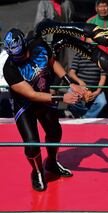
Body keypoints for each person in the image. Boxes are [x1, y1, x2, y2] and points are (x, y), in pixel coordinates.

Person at [2, 28, 85, 192]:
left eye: (23, 54)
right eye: (17, 57)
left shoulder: (39, 45)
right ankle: (37, 171)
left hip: (45, 99)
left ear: (26, 45)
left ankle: (52, 163)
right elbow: (32, 95)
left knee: (55, 132)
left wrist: (70, 82)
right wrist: (62, 98)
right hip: (25, 105)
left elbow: (52, 62)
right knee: (32, 144)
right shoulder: (10, 68)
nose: (21, 59)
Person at [34, 0, 74, 70]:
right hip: (49, 40)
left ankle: (63, 79)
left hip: (64, 39)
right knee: (50, 63)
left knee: (64, 63)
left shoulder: (66, 3)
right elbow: (39, 24)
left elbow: (70, 19)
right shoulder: (44, 3)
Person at [67, 53, 107, 118]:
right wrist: (80, 81)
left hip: (95, 89)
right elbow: (71, 73)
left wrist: (98, 91)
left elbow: (103, 76)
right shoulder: (79, 54)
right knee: (70, 94)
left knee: (102, 102)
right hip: (79, 87)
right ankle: (86, 112)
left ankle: (86, 117)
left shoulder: (101, 56)